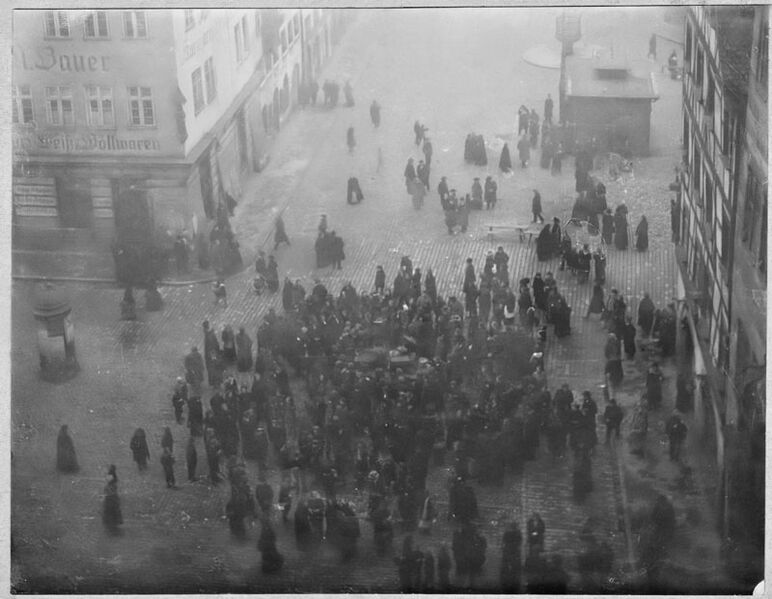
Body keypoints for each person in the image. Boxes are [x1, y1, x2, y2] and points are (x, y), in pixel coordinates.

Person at [500, 521, 523, 592]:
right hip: (514, 550)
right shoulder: (517, 533)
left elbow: (504, 540)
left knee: (506, 565)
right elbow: (520, 541)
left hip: (508, 549)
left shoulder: (507, 532)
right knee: (514, 567)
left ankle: (506, 582)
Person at [102, 465, 123, 533]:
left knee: (109, 511)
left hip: (110, 499)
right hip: (113, 499)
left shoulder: (109, 485)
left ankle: (110, 523)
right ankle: (114, 523)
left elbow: (106, 490)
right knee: (114, 511)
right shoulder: (114, 484)